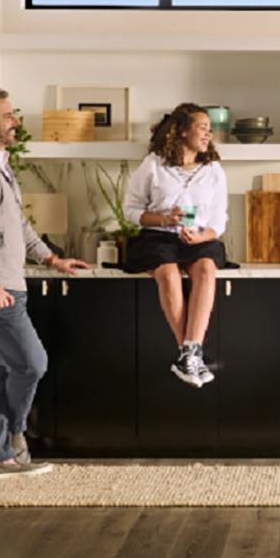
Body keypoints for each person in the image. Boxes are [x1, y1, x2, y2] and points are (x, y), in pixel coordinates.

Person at [0, 88, 88, 478]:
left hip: (7, 284)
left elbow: (18, 225)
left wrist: (51, 258)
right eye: (8, 116)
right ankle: (16, 434)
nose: (16, 122)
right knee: (32, 363)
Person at [122, 103, 229, 388]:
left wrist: (202, 237)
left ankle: (188, 354)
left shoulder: (214, 170)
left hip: (198, 239)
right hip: (157, 237)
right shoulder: (153, 165)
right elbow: (130, 210)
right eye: (202, 128)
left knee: (206, 269)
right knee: (168, 274)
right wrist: (163, 218)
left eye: (209, 129)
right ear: (183, 130)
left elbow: (219, 219)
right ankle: (191, 356)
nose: (208, 134)